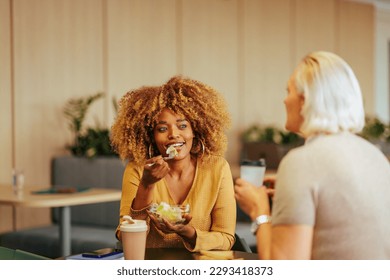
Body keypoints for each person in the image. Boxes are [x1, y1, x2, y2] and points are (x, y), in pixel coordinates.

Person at [234, 51, 390, 260]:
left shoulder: (301, 162)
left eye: (288, 91)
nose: (284, 100)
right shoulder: (375, 156)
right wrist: (294, 189)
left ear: (304, 100)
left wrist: (259, 210)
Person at [111, 76, 236, 251]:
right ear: (151, 136)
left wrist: (188, 232)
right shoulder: (138, 170)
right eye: (162, 129)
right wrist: (146, 185)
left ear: (195, 130)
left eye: (182, 126)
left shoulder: (217, 168)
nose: (173, 134)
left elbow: (226, 238)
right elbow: (125, 237)